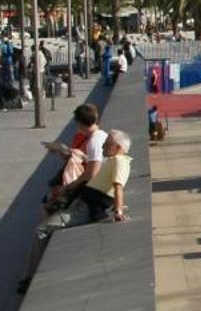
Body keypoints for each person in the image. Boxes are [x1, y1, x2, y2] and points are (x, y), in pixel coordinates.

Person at [18, 119, 126, 294]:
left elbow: (118, 186)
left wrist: (119, 209)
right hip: (82, 201)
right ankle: (35, 272)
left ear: (119, 147)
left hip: (85, 208)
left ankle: (30, 279)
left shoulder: (119, 162)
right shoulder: (113, 160)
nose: (103, 147)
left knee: (41, 230)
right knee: (49, 210)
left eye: (108, 144)